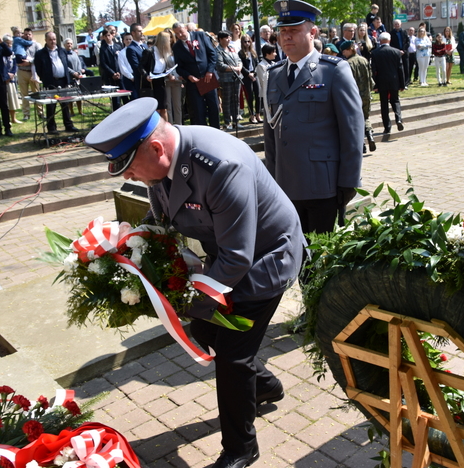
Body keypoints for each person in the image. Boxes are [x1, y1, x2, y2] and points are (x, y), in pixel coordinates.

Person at [84, 98, 304, 468]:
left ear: (156, 148)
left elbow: (238, 259)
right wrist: (132, 246)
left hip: (265, 261)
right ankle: (264, 385)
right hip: (228, 255)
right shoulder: (160, 164)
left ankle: (240, 448)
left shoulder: (220, 166)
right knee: (206, 331)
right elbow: (164, 216)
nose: (127, 177)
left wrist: (181, 301)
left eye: (129, 167)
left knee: (232, 357)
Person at [264, 0, 363, 235]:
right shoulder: (274, 75)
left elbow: (352, 130)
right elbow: (271, 134)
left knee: (320, 260)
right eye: (283, 31)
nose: (286, 37)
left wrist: (348, 182)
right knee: (292, 257)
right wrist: (269, 181)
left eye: (294, 30)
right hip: (284, 185)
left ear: (313, 32)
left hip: (322, 186)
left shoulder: (333, 71)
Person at [172, 22, 220, 128]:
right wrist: (188, 76)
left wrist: (210, 71)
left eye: (181, 31)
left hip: (208, 78)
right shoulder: (177, 47)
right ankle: (203, 133)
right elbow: (179, 67)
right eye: (177, 34)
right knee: (198, 110)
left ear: (185, 28)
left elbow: (212, 54)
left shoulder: (200, 36)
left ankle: (216, 131)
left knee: (213, 106)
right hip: (193, 82)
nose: (180, 35)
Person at [33, 31, 80, 134]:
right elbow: (38, 69)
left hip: (63, 81)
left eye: (54, 39)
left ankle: (68, 125)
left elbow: (66, 65)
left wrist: (72, 75)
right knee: (51, 105)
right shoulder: (40, 54)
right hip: (50, 82)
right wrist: (46, 78)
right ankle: (51, 128)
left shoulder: (62, 51)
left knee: (65, 104)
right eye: (50, 39)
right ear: (46, 40)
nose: (53, 41)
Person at [340, 40, 376, 153]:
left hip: (354, 96)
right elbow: (370, 78)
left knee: (356, 120)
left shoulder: (348, 63)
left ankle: (362, 144)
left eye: (344, 51)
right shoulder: (364, 60)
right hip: (366, 94)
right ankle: (370, 135)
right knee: (365, 117)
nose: (343, 54)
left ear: (349, 50)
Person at [371, 32, 406, 134]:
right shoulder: (396, 52)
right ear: (389, 40)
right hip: (394, 80)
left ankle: (387, 127)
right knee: (395, 100)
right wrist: (402, 84)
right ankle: (398, 118)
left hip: (382, 81)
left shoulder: (375, 53)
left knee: (384, 104)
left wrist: (375, 84)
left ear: (380, 40)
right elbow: (400, 69)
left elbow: (374, 70)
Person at [142, 30, 176, 122]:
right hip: (151, 82)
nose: (170, 42)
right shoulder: (149, 51)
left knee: (164, 107)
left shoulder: (164, 52)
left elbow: (163, 67)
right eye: (168, 40)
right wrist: (146, 75)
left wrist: (168, 74)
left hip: (161, 81)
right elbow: (141, 67)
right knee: (156, 109)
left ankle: (166, 127)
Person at [216, 30, 242, 131]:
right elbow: (220, 65)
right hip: (226, 79)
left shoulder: (232, 48)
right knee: (227, 101)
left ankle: (236, 121)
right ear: (220, 39)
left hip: (236, 78)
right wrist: (234, 68)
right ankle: (228, 122)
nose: (229, 39)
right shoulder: (218, 51)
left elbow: (239, 60)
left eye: (229, 37)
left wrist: (239, 66)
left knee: (236, 100)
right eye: (226, 38)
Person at [15, 28, 41, 121]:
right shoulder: (20, 44)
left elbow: (40, 58)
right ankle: (26, 114)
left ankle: (40, 113)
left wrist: (30, 62)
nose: (27, 36)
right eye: (25, 34)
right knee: (24, 94)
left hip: (32, 72)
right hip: (21, 71)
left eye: (29, 34)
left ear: (32, 35)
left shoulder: (36, 45)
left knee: (37, 93)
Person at [64, 37, 90, 117]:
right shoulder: (63, 54)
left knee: (79, 94)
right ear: (64, 44)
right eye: (68, 43)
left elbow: (79, 63)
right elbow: (65, 66)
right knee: (70, 95)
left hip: (77, 77)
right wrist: (73, 73)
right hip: (69, 77)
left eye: (71, 43)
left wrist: (78, 73)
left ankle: (80, 111)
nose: (69, 45)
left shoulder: (74, 53)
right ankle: (71, 111)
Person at [98, 28, 123, 111]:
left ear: (112, 35)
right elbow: (103, 63)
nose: (108, 37)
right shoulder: (103, 49)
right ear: (104, 37)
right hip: (110, 76)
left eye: (109, 35)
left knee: (124, 94)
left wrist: (119, 72)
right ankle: (116, 112)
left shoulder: (118, 46)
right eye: (105, 36)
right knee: (115, 98)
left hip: (120, 74)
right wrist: (113, 74)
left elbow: (121, 60)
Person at [238, 35, 260, 124]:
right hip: (247, 76)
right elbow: (241, 66)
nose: (247, 43)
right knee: (249, 96)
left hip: (254, 75)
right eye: (245, 42)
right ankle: (252, 115)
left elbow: (257, 63)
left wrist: (254, 73)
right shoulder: (240, 53)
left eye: (248, 41)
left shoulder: (253, 52)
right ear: (242, 43)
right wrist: (248, 74)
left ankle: (258, 114)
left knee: (258, 95)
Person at [1, 35, 21, 123]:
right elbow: (1, 65)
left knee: (12, 100)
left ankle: (13, 118)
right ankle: (6, 120)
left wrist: (12, 74)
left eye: (10, 43)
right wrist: (5, 76)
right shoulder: (0, 52)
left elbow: (15, 64)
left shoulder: (12, 53)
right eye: (7, 43)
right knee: (5, 101)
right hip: (3, 79)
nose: (9, 45)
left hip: (11, 79)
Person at [255, 44, 276, 121]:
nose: (275, 54)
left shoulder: (274, 64)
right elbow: (264, 81)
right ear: (267, 53)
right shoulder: (261, 66)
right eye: (273, 52)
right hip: (267, 94)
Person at [125, 26, 147, 99]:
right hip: (141, 80)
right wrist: (146, 75)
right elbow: (136, 66)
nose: (142, 33)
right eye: (139, 31)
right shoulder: (131, 49)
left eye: (142, 31)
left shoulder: (145, 46)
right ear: (133, 33)